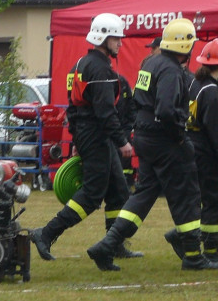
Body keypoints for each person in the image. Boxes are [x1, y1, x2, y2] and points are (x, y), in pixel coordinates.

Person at [85, 17, 218, 271]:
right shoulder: (170, 70)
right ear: (184, 46)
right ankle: (193, 255)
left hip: (146, 137)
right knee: (187, 195)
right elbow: (167, 109)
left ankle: (107, 245)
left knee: (143, 195)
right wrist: (179, 134)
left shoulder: (152, 64)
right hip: (166, 140)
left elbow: (138, 100)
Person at [31, 13, 139, 262]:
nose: (120, 44)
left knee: (118, 192)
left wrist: (80, 139)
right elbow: (105, 112)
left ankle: (114, 245)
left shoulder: (82, 64)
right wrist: (122, 141)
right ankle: (46, 234)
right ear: (103, 38)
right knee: (91, 196)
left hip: (90, 135)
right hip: (98, 136)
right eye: (116, 39)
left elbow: (76, 107)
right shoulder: (101, 69)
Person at [178, 39, 218, 267]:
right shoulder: (212, 91)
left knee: (202, 199)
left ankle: (192, 242)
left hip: (193, 149)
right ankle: (211, 250)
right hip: (208, 154)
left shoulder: (195, 85)